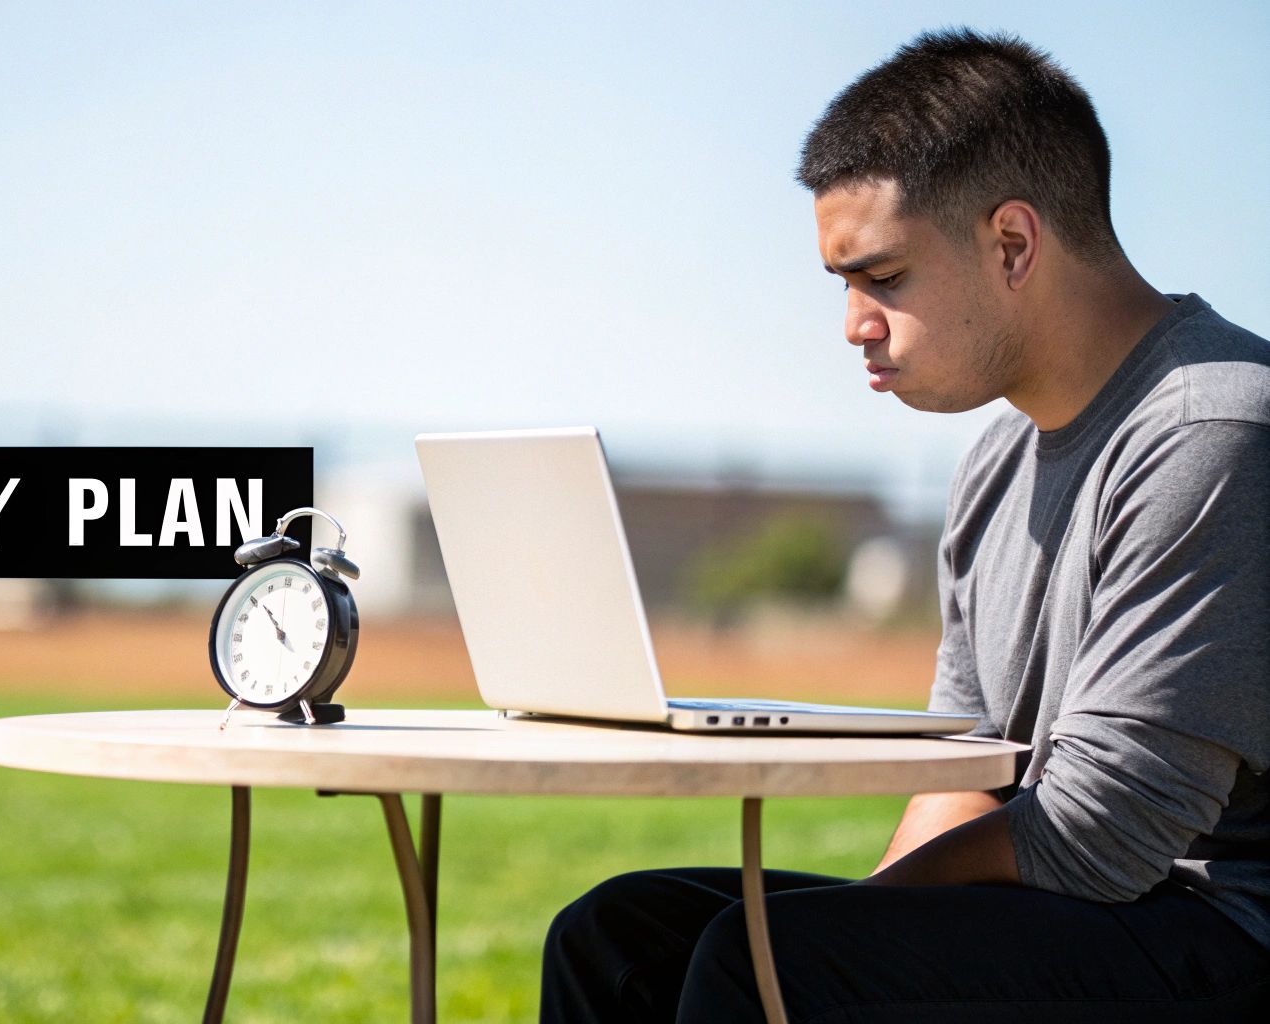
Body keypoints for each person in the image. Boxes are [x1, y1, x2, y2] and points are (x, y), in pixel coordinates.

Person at [542, 28, 1270, 1022]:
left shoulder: (1209, 429)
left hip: (1213, 933)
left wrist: (840, 932)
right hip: (1089, 909)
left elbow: (1102, 836)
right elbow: (966, 774)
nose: (851, 323)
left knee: (765, 962)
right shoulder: (995, 463)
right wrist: (859, 916)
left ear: (1010, 243)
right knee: (619, 933)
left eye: (881, 278)